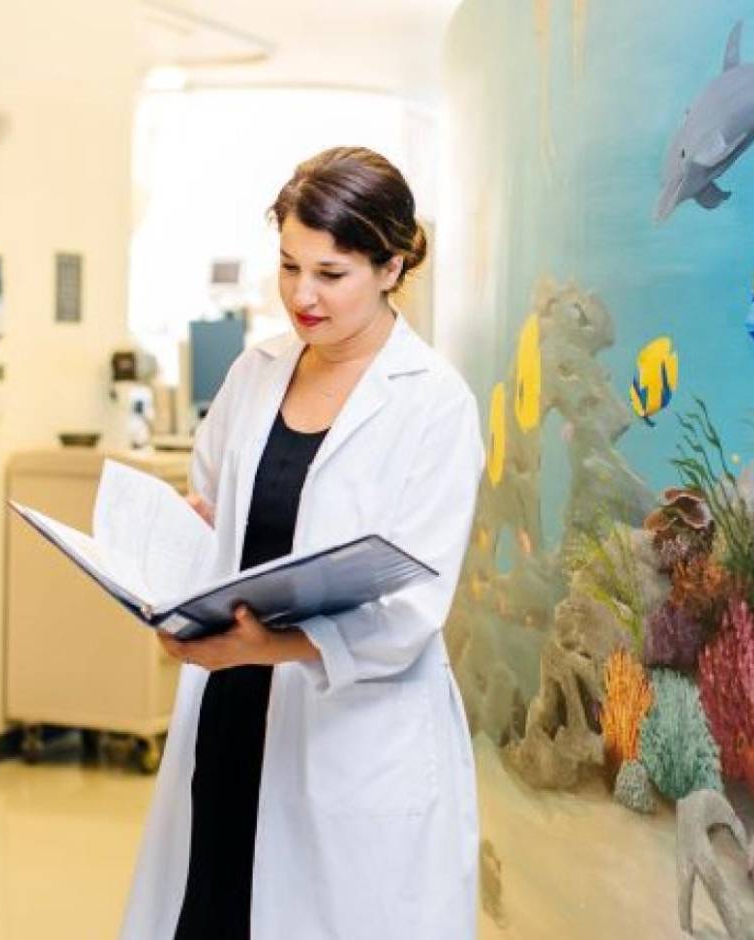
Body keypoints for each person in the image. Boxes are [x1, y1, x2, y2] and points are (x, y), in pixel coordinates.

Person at [117, 146, 484, 940]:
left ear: (392, 266)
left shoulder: (435, 405)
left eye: (330, 272)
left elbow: (413, 608)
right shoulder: (257, 372)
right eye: (288, 266)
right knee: (210, 909)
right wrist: (180, 539)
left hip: (349, 720)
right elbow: (216, 502)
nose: (302, 296)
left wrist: (272, 645)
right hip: (233, 708)